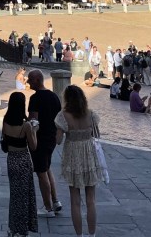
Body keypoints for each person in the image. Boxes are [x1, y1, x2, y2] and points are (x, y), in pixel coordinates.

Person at [55, 85, 102, 237]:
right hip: (89, 155)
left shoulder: (63, 116)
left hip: (73, 157)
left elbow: (58, 141)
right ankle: (92, 234)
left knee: (75, 200)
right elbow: (97, 135)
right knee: (91, 200)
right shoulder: (91, 114)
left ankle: (79, 235)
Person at [1, 91, 38, 237]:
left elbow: (4, 139)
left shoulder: (5, 121)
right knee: (24, 196)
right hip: (23, 160)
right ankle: (22, 229)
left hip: (11, 160)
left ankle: (13, 227)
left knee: (15, 195)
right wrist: (34, 130)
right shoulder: (26, 125)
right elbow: (33, 146)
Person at [27, 70, 63, 218]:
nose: (28, 82)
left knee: (41, 173)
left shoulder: (35, 98)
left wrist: (28, 132)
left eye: (30, 79)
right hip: (51, 137)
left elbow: (33, 121)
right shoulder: (54, 96)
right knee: (47, 168)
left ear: (37, 80)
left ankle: (48, 208)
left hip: (40, 139)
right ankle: (55, 201)